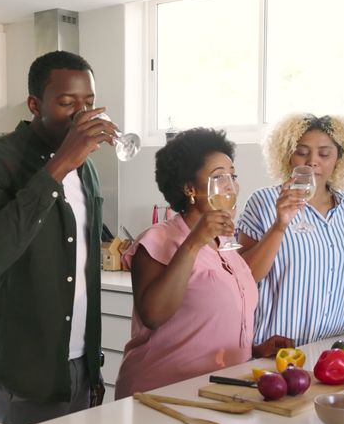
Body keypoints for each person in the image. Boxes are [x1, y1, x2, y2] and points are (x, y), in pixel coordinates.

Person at [0, 50, 119, 424]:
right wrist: (59, 165)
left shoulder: (87, 169)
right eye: (67, 103)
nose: (82, 115)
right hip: (25, 367)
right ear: (34, 104)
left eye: (89, 103)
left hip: (82, 361)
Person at [115, 128, 293, 399]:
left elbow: (209, 324)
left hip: (217, 390)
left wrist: (254, 349)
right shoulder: (157, 240)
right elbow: (153, 315)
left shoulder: (225, 243)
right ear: (190, 188)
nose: (231, 185)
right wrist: (194, 242)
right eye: (219, 177)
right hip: (162, 394)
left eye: (233, 176)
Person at [237, 113, 344, 347]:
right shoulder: (264, 202)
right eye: (301, 152)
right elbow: (243, 278)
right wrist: (280, 225)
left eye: (324, 153)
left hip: (337, 348)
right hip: (278, 351)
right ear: (287, 156)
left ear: (339, 158)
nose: (312, 161)